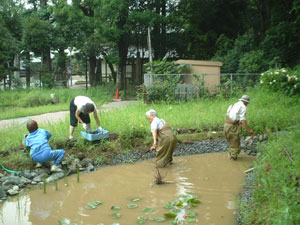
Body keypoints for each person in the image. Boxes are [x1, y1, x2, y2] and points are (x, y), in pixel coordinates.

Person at [224, 95, 254, 160]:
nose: (247, 105)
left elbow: (227, 116)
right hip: (232, 127)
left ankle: (230, 156)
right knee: (236, 148)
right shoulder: (243, 107)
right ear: (246, 102)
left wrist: (237, 122)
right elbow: (243, 120)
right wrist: (249, 130)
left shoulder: (232, 105)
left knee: (233, 144)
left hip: (226, 125)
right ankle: (232, 161)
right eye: (247, 103)